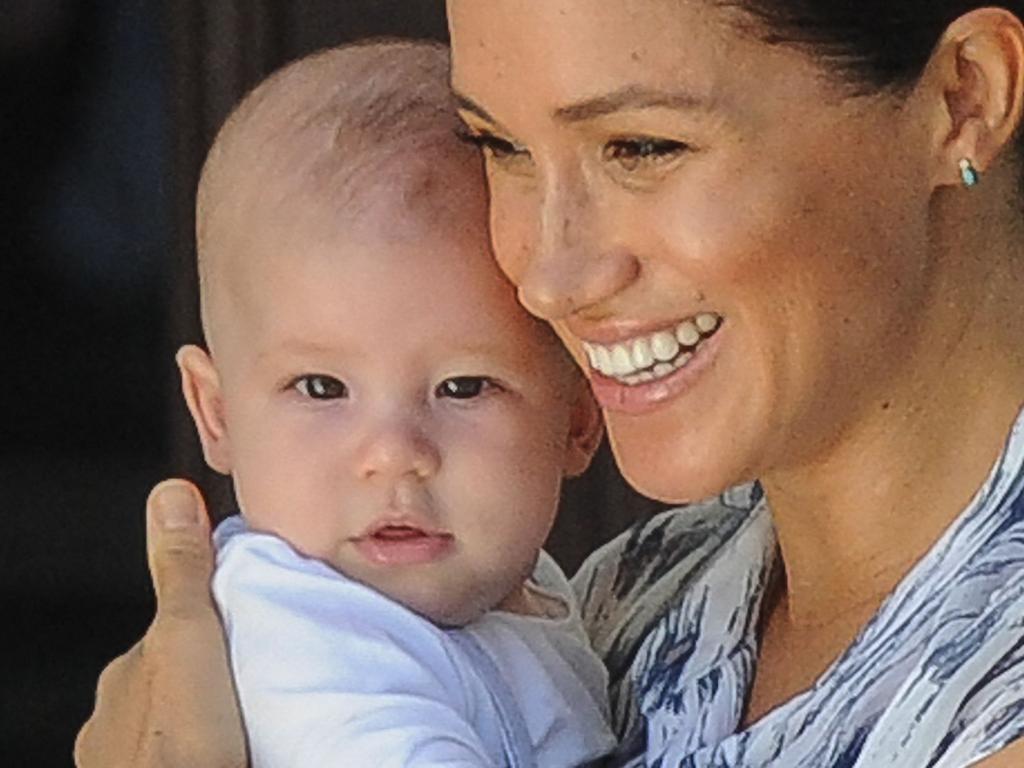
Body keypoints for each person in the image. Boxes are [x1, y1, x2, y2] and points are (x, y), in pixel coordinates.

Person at [76, 1, 1024, 766]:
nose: (547, 275)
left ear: (964, 97)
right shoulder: (629, 598)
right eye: (502, 147)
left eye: (643, 148)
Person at [164, 40, 617, 768]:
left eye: (463, 388)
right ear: (217, 416)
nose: (394, 453)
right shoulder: (306, 636)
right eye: (321, 388)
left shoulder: (523, 587)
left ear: (578, 418)